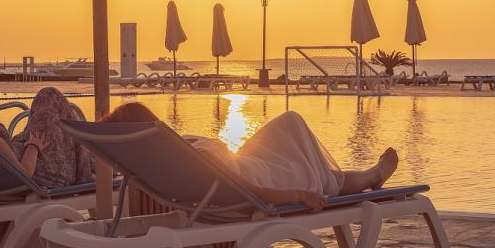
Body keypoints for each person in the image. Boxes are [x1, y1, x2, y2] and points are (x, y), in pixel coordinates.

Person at [98, 102, 399, 212]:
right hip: (266, 179)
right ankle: (373, 175)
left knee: (289, 125)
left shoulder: (161, 162)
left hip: (250, 165)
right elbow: (250, 191)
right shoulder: (192, 155)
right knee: (322, 176)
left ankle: (368, 174)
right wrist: (298, 195)